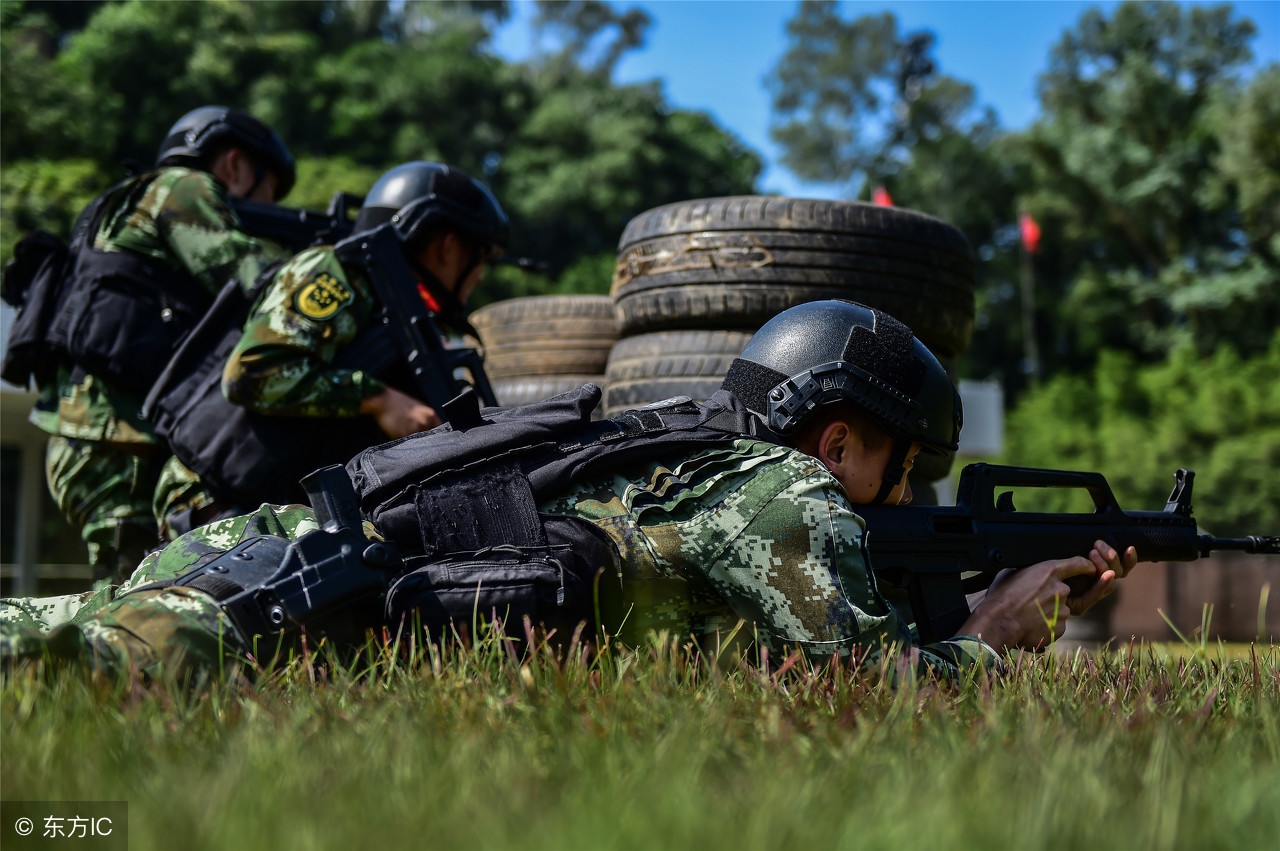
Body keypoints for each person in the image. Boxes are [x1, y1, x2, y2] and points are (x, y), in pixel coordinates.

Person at [0, 301, 1137, 682]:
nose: (900, 491)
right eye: (905, 465)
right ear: (837, 438)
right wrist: (995, 626)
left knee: (54, 632)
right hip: (304, 595)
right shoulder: (782, 491)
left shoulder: (680, 455)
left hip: (278, 547)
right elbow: (869, 691)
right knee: (77, 660)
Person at [20, 106, 295, 585]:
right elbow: (257, 282)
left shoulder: (120, 206)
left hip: (93, 438)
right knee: (133, 606)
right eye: (269, 192)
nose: (266, 213)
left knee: (143, 590)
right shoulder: (185, 187)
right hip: (115, 443)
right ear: (234, 165)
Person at [152, 161, 509, 525]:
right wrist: (379, 400)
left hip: (277, 506)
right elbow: (253, 371)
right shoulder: (339, 275)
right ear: (447, 247)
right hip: (214, 501)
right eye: (479, 258)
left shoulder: (403, 316)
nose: (479, 275)